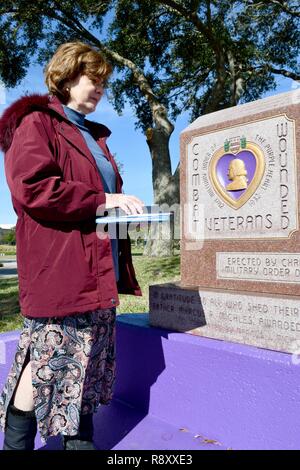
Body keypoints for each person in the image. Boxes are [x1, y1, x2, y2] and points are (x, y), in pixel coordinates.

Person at [0, 41, 144, 450]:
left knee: (87, 367)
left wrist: (119, 211)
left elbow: (100, 201)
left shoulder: (94, 135)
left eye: (103, 82)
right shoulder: (37, 123)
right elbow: (34, 189)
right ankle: (15, 445)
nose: (99, 87)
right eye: (91, 78)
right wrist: (103, 199)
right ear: (65, 76)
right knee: (44, 365)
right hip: (60, 271)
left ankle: (80, 444)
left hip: (99, 270)